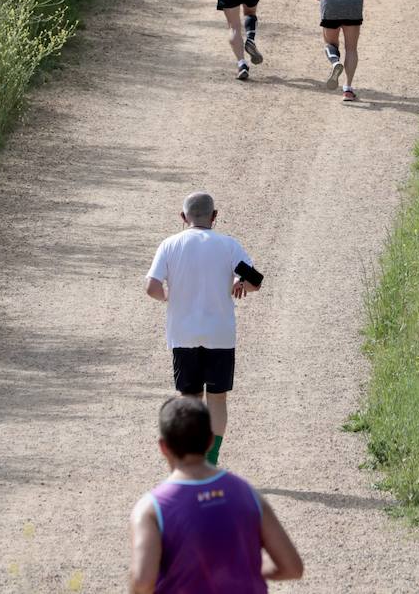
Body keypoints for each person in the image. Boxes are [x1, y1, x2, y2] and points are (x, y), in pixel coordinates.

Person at [129, 396, 303, 593]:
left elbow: (142, 582)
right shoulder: (247, 494)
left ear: (163, 447)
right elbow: (292, 567)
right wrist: (251, 567)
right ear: (211, 441)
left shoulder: (151, 509)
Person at [145, 192, 263, 470]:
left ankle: (187, 460)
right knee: (217, 398)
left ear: (183, 217)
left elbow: (151, 287)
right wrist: (240, 284)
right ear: (214, 216)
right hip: (220, 333)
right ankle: (211, 458)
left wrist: (168, 298)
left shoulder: (170, 245)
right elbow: (255, 280)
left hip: (183, 333)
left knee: (189, 399)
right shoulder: (228, 246)